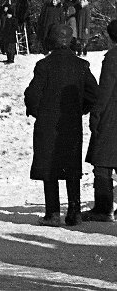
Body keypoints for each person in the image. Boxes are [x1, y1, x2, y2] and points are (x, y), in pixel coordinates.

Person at [25, 24, 99, 227]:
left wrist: (38, 112)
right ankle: (74, 213)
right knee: (71, 167)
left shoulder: (44, 65)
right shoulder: (81, 65)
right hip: (71, 124)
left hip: (48, 124)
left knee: (50, 167)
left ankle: (52, 214)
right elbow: (94, 95)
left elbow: (32, 95)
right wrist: (80, 110)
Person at [83, 20, 117, 222]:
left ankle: (103, 209)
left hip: (112, 118)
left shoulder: (112, 58)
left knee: (102, 163)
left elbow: (104, 92)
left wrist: (95, 115)